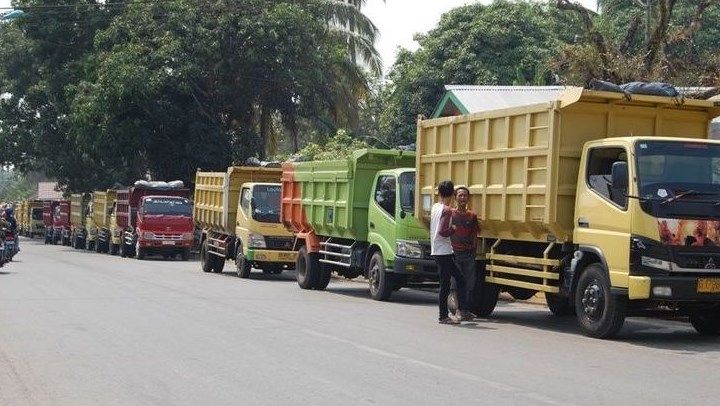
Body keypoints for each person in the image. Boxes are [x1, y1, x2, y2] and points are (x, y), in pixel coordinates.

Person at [430, 180, 471, 324]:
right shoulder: (447, 210)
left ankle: (460, 310)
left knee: (459, 280)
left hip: (439, 250)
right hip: (443, 252)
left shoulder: (435, 207)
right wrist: (453, 229)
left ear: (439, 193)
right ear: (453, 195)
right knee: (446, 285)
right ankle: (443, 316)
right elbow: (442, 231)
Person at [451, 187, 480, 320]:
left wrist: (473, 251)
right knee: (456, 283)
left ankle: (465, 310)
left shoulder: (472, 216)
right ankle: (456, 310)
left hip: (469, 254)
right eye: (460, 195)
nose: (462, 198)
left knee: (469, 283)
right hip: (455, 253)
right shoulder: (451, 214)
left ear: (468, 198)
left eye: (465, 196)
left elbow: (474, 235)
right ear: (455, 197)